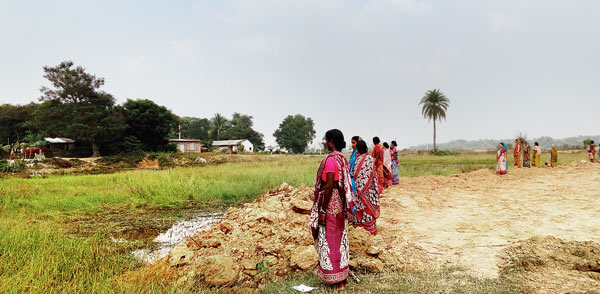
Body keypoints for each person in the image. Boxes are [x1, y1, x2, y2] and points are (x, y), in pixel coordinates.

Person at [310, 129, 352, 290]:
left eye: (327, 140)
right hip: (339, 205)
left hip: (329, 204)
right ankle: (343, 278)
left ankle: (336, 280)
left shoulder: (330, 161)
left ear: (331, 142)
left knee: (328, 241)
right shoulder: (342, 160)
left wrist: (321, 211)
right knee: (340, 240)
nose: (325, 143)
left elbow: (327, 186)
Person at [349, 140, 380, 235]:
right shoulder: (370, 158)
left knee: (360, 206)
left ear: (358, 149)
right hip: (369, 188)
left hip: (359, 188)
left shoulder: (358, 159)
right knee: (368, 206)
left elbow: (353, 173)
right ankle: (370, 228)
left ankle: (360, 227)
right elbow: (373, 173)